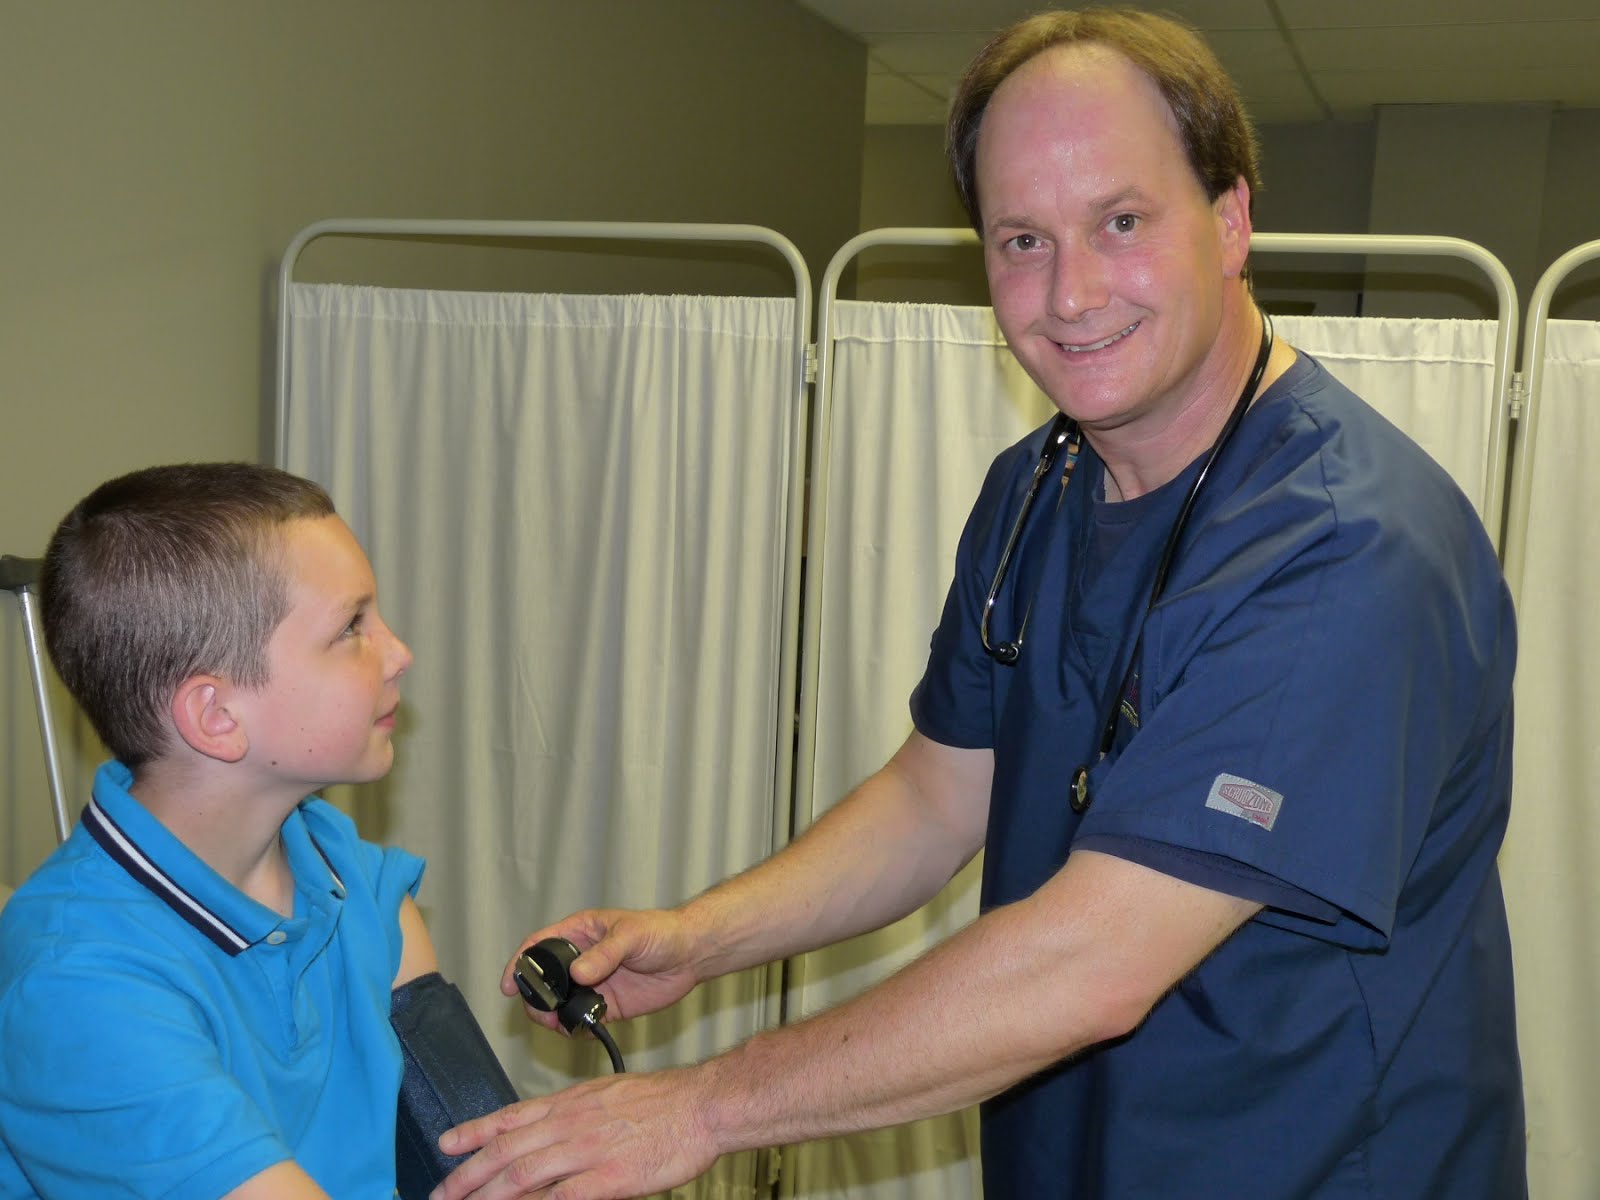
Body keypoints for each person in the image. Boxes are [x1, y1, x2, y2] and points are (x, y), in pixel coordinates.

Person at [436, 9, 1525, 1198]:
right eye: (1020, 240)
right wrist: (703, 938)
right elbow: (936, 793)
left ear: (1230, 221)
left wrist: (700, 1109)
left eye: (1120, 221)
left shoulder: (1341, 553)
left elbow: (1095, 965)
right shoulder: (1040, 484)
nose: (1069, 294)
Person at [0, 463, 431, 1198]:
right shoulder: (79, 988)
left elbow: (463, 1141)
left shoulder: (346, 871)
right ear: (217, 717)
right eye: (352, 627)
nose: (398, 653)